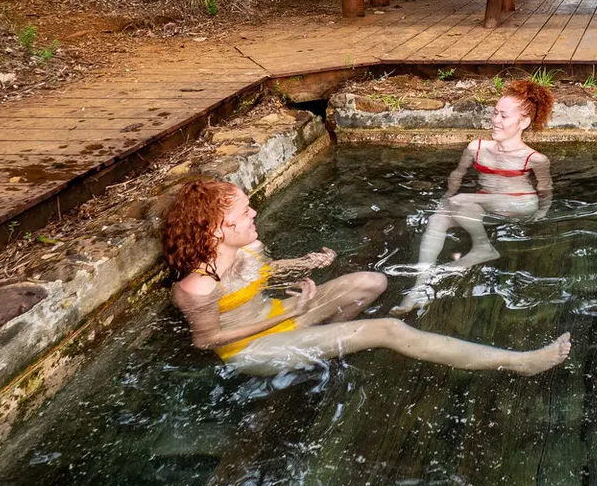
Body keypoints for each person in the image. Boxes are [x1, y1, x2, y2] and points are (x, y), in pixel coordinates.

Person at [163, 178, 570, 375]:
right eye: (243, 213)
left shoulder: (248, 246)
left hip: (281, 314)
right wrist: (284, 315)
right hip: (254, 348)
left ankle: (330, 346)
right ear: (215, 230)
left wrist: (304, 264)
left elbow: (261, 274)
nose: (254, 215)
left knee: (371, 282)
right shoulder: (196, 287)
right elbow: (206, 341)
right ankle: (518, 363)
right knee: (388, 329)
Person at [395, 79, 555, 314]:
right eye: (495, 113)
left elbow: (545, 189)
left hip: (518, 204)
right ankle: (419, 287)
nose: (496, 121)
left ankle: (482, 248)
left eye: (504, 116)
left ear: (524, 122)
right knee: (438, 217)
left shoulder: (535, 158)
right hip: (483, 204)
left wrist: (541, 214)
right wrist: (445, 199)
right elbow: (457, 175)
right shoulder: (477, 148)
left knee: (460, 200)